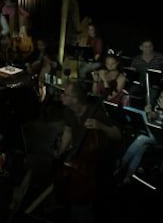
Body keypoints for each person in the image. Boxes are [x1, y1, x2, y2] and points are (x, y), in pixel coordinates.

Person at [54, 81, 121, 223]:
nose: (62, 96)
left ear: (75, 99)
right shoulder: (68, 111)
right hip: (80, 155)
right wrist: (60, 152)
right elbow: (68, 131)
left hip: (98, 160)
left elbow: (117, 134)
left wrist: (100, 126)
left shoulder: (96, 112)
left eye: (65, 94)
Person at [116, 89, 163, 184]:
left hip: (162, 137)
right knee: (142, 147)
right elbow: (154, 119)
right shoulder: (158, 105)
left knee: (141, 139)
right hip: (153, 132)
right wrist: (150, 113)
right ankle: (128, 176)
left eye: (162, 97)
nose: (160, 99)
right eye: (160, 96)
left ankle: (121, 165)